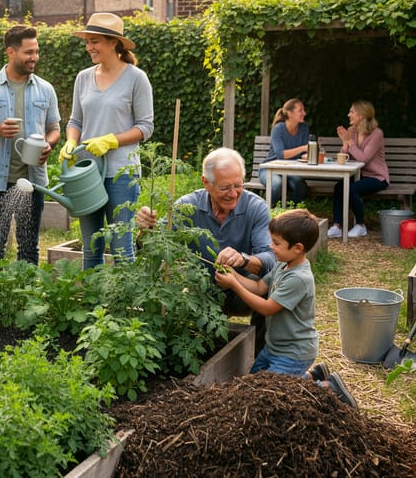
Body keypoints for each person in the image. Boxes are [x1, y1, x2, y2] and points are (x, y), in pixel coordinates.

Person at [136, 148, 275, 354]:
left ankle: (259, 357)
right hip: (200, 295)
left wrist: (243, 260)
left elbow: (270, 259)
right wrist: (145, 230)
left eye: (238, 185)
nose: (233, 193)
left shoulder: (256, 208)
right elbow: (154, 246)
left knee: (273, 288)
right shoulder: (187, 206)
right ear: (206, 182)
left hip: (243, 292)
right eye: (225, 187)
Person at [214, 209, 358, 408]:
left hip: (293, 352)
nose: (271, 246)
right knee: (253, 382)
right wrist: (233, 275)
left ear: (298, 248)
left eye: (276, 243)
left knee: (271, 393)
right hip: (275, 347)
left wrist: (234, 285)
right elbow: (259, 287)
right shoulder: (282, 265)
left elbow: (267, 308)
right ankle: (312, 376)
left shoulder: (299, 278)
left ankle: (328, 387)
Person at [61, 12, 154, 269]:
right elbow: (75, 121)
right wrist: (71, 142)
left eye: (95, 41)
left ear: (114, 43)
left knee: (121, 245)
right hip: (87, 172)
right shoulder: (83, 77)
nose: (89, 47)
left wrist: (112, 140)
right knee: (91, 245)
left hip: (121, 173)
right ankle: (92, 294)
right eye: (87, 42)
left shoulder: (136, 78)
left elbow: (145, 127)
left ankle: (124, 296)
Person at [0, 25, 61, 264]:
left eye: (37, 51)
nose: (35, 57)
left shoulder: (46, 89)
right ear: (11, 52)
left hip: (33, 181)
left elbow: (54, 129)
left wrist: (48, 145)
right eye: (29, 52)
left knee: (29, 246)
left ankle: (26, 288)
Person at [327, 100, 389, 239]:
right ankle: (337, 226)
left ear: (361, 115)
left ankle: (360, 225)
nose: (348, 115)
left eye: (352, 112)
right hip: (359, 175)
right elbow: (344, 157)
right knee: (339, 187)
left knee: (352, 188)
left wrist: (349, 141)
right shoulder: (352, 131)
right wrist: (345, 143)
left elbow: (364, 159)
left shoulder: (377, 134)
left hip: (377, 177)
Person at [260, 98, 311, 204]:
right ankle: (265, 210)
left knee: (301, 187)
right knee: (277, 184)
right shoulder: (278, 129)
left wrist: (310, 154)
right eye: (300, 110)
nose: (304, 113)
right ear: (290, 113)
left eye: (303, 110)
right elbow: (281, 154)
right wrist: (303, 148)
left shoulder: (304, 128)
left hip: (291, 170)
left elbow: (304, 154)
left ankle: (287, 209)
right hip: (270, 169)